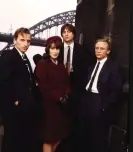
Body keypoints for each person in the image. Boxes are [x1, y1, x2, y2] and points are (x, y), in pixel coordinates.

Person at [78, 38, 123, 152]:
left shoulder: (113, 67)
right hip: (86, 100)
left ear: (108, 51)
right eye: (97, 48)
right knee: (83, 134)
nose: (98, 51)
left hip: (99, 102)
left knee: (97, 137)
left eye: (102, 48)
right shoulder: (91, 65)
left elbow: (116, 89)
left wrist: (104, 106)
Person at [0, 27, 37, 152]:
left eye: (28, 41)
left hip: (25, 107)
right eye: (22, 40)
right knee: (11, 141)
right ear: (15, 40)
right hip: (14, 109)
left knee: (20, 141)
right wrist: (14, 101)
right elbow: (3, 82)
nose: (26, 44)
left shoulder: (24, 57)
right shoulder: (8, 56)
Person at [35, 36, 71, 152]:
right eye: (52, 48)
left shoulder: (61, 65)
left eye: (57, 49)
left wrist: (66, 95)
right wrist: (59, 98)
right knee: (48, 139)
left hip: (61, 107)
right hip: (49, 107)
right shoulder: (42, 64)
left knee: (58, 137)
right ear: (48, 49)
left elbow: (67, 82)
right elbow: (43, 87)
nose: (55, 52)